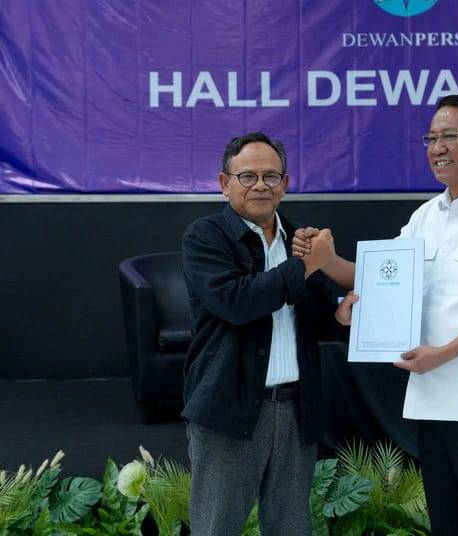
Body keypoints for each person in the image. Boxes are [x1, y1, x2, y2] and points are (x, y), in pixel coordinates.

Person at [294, 95, 458, 535]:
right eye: (431, 138)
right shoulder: (426, 216)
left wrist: (445, 353)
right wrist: (329, 264)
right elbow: (380, 278)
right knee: (447, 526)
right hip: (433, 400)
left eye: (450, 136)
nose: (437, 148)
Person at [181, 132, 355, 536]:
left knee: (291, 527)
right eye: (248, 176)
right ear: (224, 184)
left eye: (271, 176)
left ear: (285, 184)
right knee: (217, 527)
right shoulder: (205, 236)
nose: (260, 185)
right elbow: (238, 302)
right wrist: (308, 264)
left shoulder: (300, 240)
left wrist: (339, 315)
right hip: (229, 408)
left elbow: (315, 313)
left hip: (296, 409)